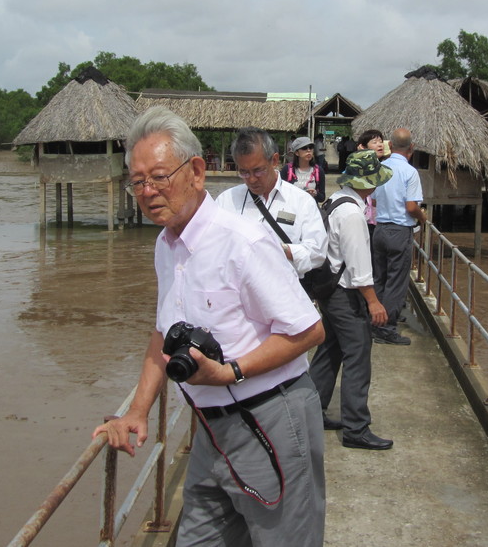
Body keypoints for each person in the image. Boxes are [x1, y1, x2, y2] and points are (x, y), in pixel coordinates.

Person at [93, 107, 326, 547]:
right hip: (210, 429)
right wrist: (138, 412)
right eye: (138, 181)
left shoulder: (244, 242)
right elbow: (163, 333)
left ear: (197, 171)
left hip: (270, 417)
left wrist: (230, 371)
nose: (147, 191)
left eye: (159, 176)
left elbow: (309, 330)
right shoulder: (167, 245)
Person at [310, 150, 394, 450]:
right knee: (358, 358)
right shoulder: (353, 214)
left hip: (330, 292)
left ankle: (313, 411)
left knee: (329, 352)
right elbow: (359, 266)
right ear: (369, 183)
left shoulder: (335, 201)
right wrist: (373, 301)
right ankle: (356, 428)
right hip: (346, 296)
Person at [216, 128, 328, 279]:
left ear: (274, 160)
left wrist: (276, 250)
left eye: (258, 171)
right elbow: (213, 247)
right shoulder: (226, 200)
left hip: (284, 293)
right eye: (244, 172)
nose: (252, 179)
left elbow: (318, 252)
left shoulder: (302, 201)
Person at [370, 128, 427, 346]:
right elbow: (411, 206)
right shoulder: (410, 172)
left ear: (390, 146)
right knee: (396, 282)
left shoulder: (381, 167)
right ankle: (387, 328)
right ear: (411, 148)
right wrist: (422, 218)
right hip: (399, 231)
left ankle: (375, 323)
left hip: (380, 228)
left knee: (380, 278)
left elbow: (373, 201)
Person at [355, 129, 385, 241]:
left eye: (380, 141)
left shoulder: (384, 167)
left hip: (381, 221)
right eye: (374, 142)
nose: (379, 145)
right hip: (364, 220)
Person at [280, 136, 326, 203]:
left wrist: (315, 193)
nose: (308, 150)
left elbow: (322, 198)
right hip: (291, 211)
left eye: (311, 147)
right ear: (296, 153)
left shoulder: (319, 171)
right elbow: (280, 194)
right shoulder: (287, 170)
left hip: (310, 211)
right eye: (304, 148)